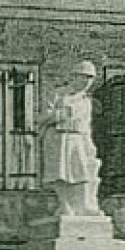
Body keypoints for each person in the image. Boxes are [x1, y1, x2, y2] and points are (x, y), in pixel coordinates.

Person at [40, 60, 103, 216]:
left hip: (78, 138)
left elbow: (86, 126)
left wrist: (90, 145)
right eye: (84, 77)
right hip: (58, 137)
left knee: (83, 172)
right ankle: (64, 205)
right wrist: (61, 115)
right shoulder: (58, 94)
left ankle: (83, 205)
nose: (86, 82)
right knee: (60, 173)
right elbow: (41, 117)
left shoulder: (86, 102)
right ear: (74, 76)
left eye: (90, 78)